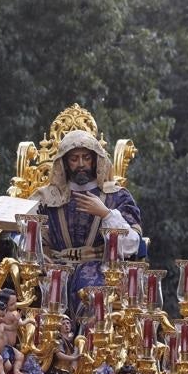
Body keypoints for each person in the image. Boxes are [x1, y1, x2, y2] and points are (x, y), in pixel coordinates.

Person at [30, 130, 142, 317]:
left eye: (86, 158)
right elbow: (27, 236)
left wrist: (105, 214)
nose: (81, 164)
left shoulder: (117, 196)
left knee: (95, 301)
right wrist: (41, 258)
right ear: (64, 162)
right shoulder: (45, 197)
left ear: (96, 160)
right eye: (74, 159)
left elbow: (133, 245)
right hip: (54, 270)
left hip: (100, 270)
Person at [0, 289, 29, 374]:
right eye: (12, 304)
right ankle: (13, 372)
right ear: (4, 305)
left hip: (8, 346)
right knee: (17, 358)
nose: (15, 306)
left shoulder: (1, 315)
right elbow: (21, 323)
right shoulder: (13, 314)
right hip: (3, 345)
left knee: (19, 356)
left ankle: (15, 371)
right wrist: (29, 320)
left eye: (15, 303)